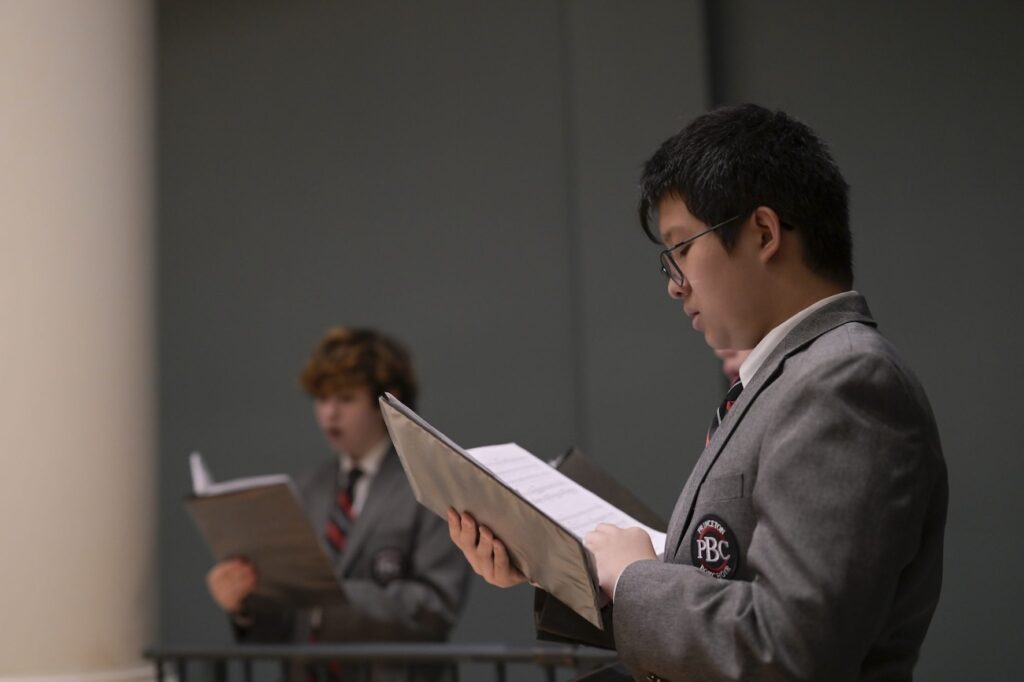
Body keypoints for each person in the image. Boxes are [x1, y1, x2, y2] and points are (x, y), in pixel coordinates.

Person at [448, 104, 947, 681]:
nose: (674, 285)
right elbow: (726, 583)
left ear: (764, 233)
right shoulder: (798, 374)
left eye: (682, 248)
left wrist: (632, 578)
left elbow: (791, 646)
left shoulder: (846, 380)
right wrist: (557, 564)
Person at [207, 327, 471, 682]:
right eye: (321, 399)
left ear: (388, 402)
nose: (329, 414)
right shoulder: (305, 489)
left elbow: (435, 609)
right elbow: (285, 627)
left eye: (345, 398)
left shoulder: (430, 487)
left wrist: (331, 593)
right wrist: (244, 605)